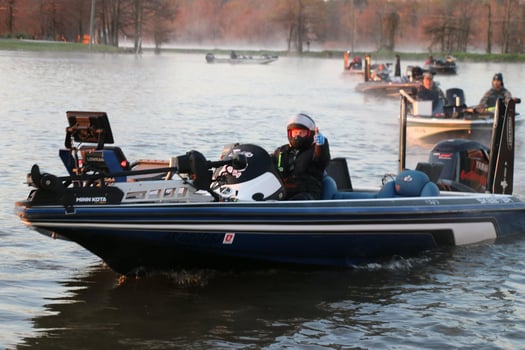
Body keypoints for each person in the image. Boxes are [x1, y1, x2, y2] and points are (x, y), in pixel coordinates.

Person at [272, 113, 331, 200]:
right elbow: (266, 161)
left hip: (308, 194)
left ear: (310, 134)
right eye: (295, 133)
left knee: (297, 199)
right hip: (283, 192)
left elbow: (322, 159)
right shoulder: (282, 151)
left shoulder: (315, 150)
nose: (297, 136)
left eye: (301, 133)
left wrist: (321, 145)